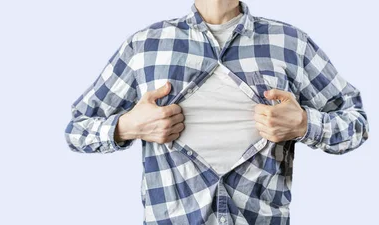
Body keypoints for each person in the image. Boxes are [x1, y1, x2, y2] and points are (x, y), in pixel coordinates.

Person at [64, 0, 369, 224]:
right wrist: (128, 126)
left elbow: (355, 122)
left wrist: (304, 125)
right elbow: (77, 129)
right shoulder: (145, 45)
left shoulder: (292, 44)